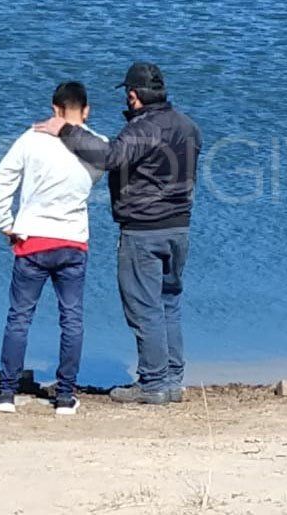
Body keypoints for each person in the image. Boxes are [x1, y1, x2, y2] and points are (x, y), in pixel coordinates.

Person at [34, 62, 201, 405]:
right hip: (179, 228)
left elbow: (109, 157)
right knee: (169, 303)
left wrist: (66, 131)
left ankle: (153, 383)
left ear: (133, 96)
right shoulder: (188, 126)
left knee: (144, 307)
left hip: (143, 230)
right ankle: (171, 381)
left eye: (128, 96)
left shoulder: (142, 129)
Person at [0, 81, 105, 416]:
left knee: (20, 318)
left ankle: (6, 393)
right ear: (87, 110)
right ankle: (65, 396)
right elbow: (103, 164)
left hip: (32, 240)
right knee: (72, 319)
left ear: (54, 109)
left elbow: (1, 180)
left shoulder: (32, 138)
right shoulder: (98, 146)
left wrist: (4, 222)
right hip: (73, 242)